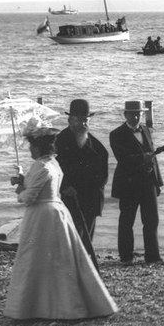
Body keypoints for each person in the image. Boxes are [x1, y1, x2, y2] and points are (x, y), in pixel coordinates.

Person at [4, 118, 117, 320]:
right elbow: (38, 186)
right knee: (58, 259)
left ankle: (36, 305)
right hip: (57, 211)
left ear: (37, 148)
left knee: (35, 259)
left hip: (41, 215)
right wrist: (22, 179)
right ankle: (57, 303)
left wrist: (20, 191)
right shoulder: (53, 163)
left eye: (31, 146)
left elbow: (29, 197)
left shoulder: (40, 166)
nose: (30, 151)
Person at [109, 101, 164, 265]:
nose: (135, 117)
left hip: (148, 183)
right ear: (125, 115)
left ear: (142, 115)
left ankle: (153, 257)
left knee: (152, 220)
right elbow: (123, 159)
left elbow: (153, 158)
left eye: (138, 114)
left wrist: (157, 183)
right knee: (127, 221)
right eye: (131, 114)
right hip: (128, 184)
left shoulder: (146, 129)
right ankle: (126, 257)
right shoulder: (116, 134)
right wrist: (143, 158)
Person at [55, 99, 108, 256]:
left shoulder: (97, 146)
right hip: (70, 198)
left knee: (86, 242)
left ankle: (85, 271)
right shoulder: (60, 141)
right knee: (70, 239)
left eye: (85, 119)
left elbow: (103, 175)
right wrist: (65, 187)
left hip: (90, 199)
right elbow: (54, 169)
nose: (83, 123)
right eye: (78, 119)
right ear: (70, 120)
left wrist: (93, 187)